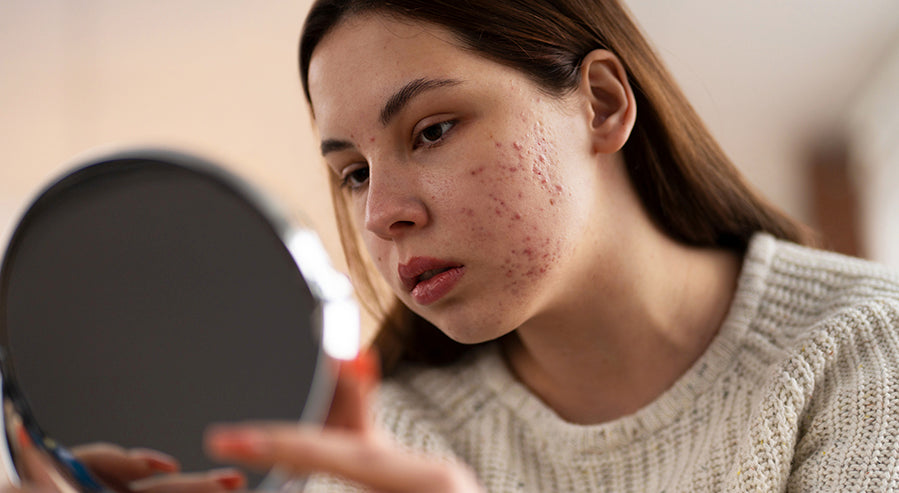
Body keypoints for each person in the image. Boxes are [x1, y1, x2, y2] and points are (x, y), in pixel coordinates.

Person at [199, 0, 899, 491]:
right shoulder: (389, 433)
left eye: (432, 130)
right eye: (353, 173)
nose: (382, 213)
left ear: (599, 102)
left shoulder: (862, 347)